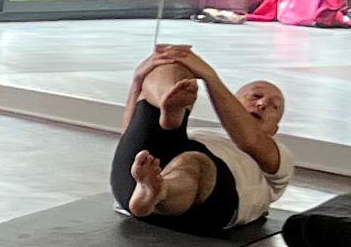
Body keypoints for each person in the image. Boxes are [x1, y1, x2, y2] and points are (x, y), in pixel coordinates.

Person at [111, 42, 285, 231]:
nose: (262, 104)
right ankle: (167, 108)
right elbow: (132, 139)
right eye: (255, 96)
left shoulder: (279, 153)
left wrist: (209, 76)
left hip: (208, 208)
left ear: (275, 129)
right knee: (168, 65)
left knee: (193, 162)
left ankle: (159, 190)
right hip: (132, 186)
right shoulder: (200, 134)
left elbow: (251, 140)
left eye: (274, 106)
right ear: (232, 103)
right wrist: (139, 81)